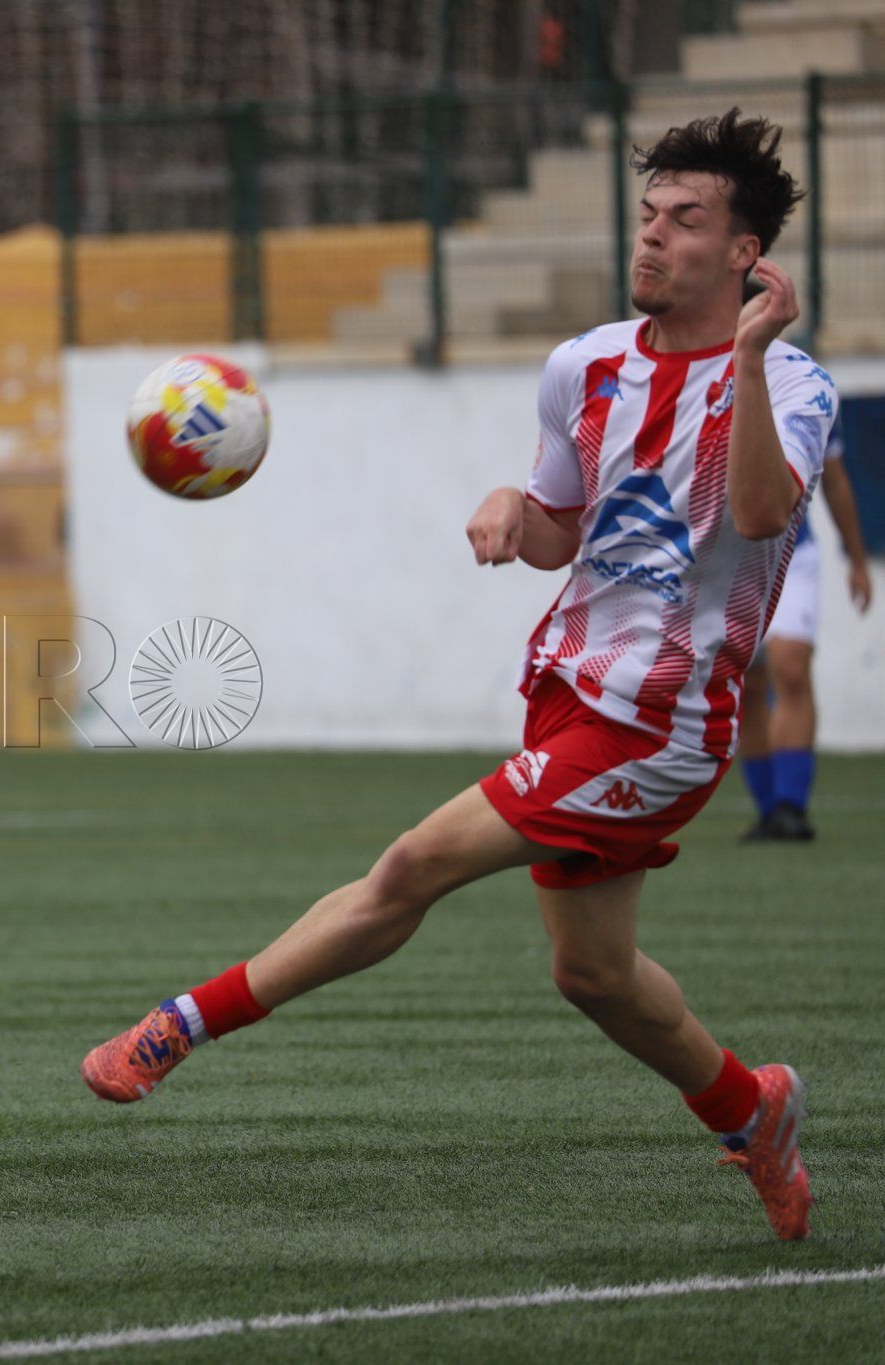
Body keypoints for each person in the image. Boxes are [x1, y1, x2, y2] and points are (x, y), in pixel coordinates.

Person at [81, 110, 831, 1242]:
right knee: (593, 977)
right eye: (645, 216)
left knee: (413, 863)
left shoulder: (793, 387)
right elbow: (558, 529)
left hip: (663, 719)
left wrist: (747, 359)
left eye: (684, 222)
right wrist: (509, 511)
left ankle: (180, 1024)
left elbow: (765, 513)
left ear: (743, 255)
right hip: (568, 687)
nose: (651, 239)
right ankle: (748, 1107)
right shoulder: (581, 365)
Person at [737, 419, 872, 840]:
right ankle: (766, 809)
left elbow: (835, 479)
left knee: (790, 667)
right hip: (728, 560)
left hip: (793, 554)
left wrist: (856, 558)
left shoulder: (807, 387)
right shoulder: (706, 376)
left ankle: (790, 806)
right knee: (748, 683)